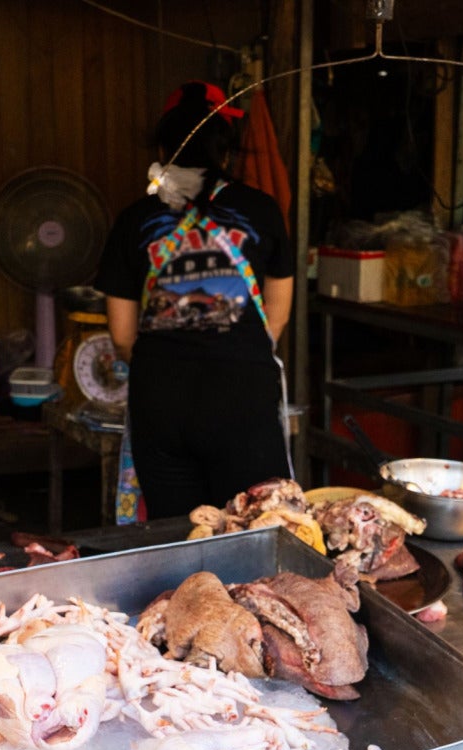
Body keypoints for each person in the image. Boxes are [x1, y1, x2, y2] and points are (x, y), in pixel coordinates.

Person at [95, 81, 294, 521]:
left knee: (179, 537)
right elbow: (275, 319)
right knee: (253, 534)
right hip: (243, 401)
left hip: (162, 401)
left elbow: (123, 336)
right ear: (226, 149)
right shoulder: (262, 210)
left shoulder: (134, 220)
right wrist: (233, 354)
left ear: (166, 148)